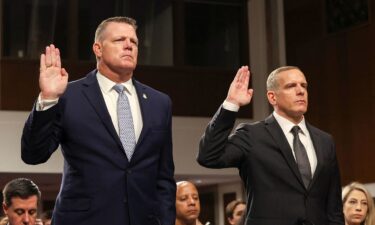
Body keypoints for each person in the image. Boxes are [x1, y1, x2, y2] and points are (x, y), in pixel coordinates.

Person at [21, 16, 176, 225]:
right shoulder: (69, 96)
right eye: (120, 40)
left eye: (134, 42)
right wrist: (48, 98)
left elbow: (164, 177)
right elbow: (33, 154)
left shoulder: (160, 103)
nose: (129, 46)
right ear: (98, 49)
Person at [197, 66, 345, 225]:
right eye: (291, 86)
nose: (300, 91)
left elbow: (333, 205)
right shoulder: (252, 135)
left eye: (304, 86)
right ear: (272, 97)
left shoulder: (325, 141)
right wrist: (231, 104)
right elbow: (209, 156)